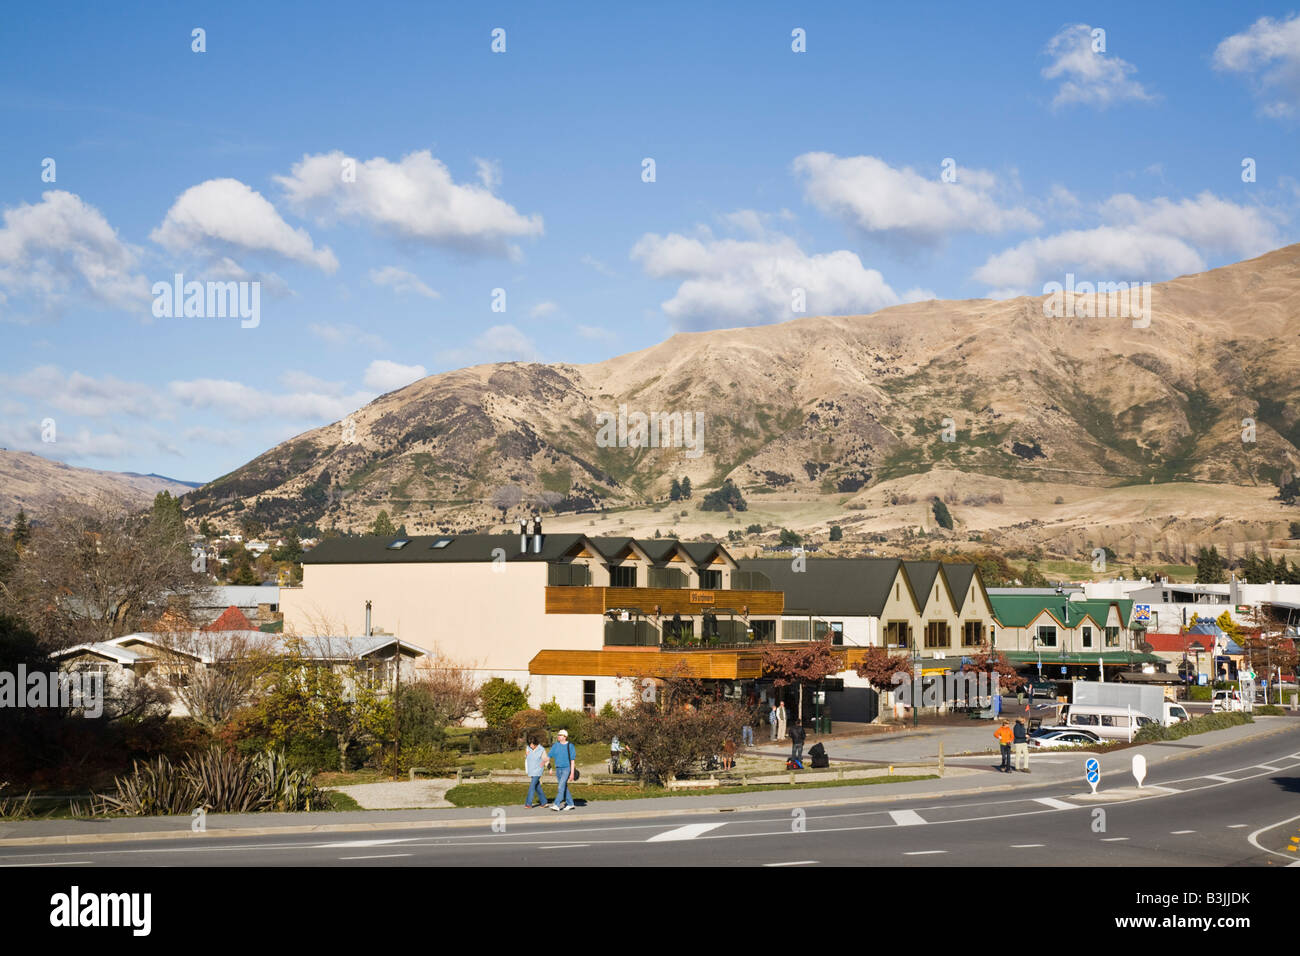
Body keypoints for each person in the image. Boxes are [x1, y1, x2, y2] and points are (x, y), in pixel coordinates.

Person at [548, 729, 577, 810]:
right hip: (558, 769)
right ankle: (571, 803)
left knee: (560, 787)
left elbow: (572, 761)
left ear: (565, 737)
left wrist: (572, 773)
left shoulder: (570, 746)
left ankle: (556, 804)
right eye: (558, 735)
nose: (558, 736)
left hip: (566, 769)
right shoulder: (555, 746)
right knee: (563, 787)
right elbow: (549, 756)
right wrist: (549, 767)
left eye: (560, 735)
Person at [524, 736, 549, 807]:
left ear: (536, 743)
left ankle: (528, 804)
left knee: (532, 786)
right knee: (537, 786)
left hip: (538, 771)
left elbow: (545, 760)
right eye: (530, 744)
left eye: (532, 744)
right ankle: (544, 802)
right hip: (531, 770)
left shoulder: (541, 750)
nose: (530, 746)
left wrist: (549, 768)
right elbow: (527, 758)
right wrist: (526, 755)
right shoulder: (528, 748)